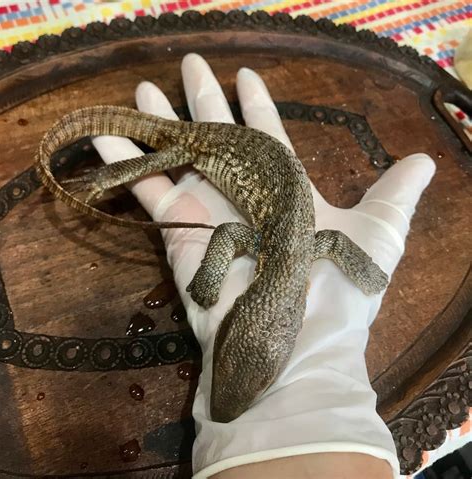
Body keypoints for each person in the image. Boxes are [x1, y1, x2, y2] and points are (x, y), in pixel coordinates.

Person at [91, 53, 436, 479]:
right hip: (203, 143)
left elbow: (297, 239)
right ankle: (107, 170)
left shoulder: (285, 250)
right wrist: (211, 278)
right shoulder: (285, 248)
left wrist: (367, 276)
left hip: (253, 167)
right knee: (168, 154)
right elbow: (278, 238)